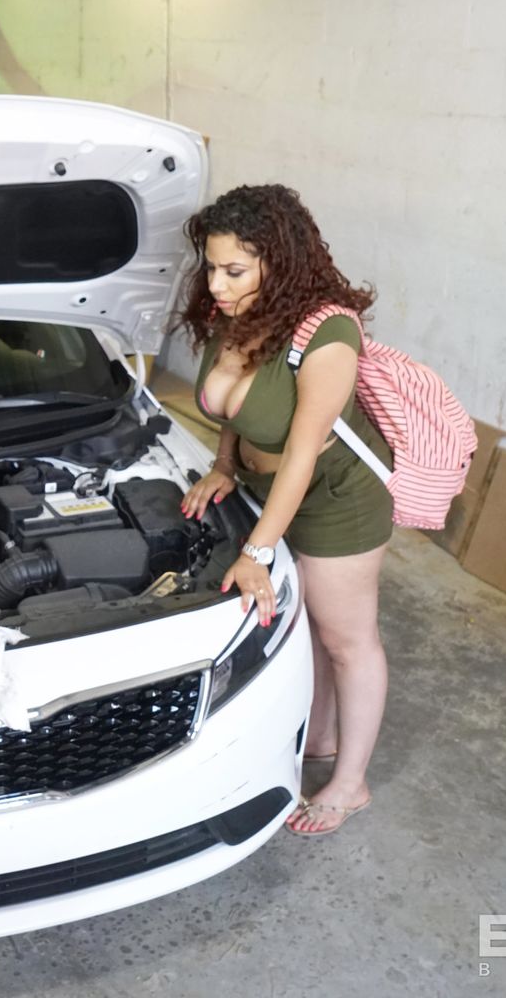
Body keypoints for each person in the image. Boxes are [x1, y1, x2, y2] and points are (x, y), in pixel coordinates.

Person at [173, 184, 392, 838]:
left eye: (234, 270)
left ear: (280, 263)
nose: (216, 284)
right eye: (211, 267)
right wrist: (223, 464)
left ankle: (350, 784)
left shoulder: (328, 335)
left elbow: (300, 454)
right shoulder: (239, 312)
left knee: (346, 638)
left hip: (333, 496)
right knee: (309, 622)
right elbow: (233, 407)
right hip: (265, 491)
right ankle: (320, 734)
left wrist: (256, 551)